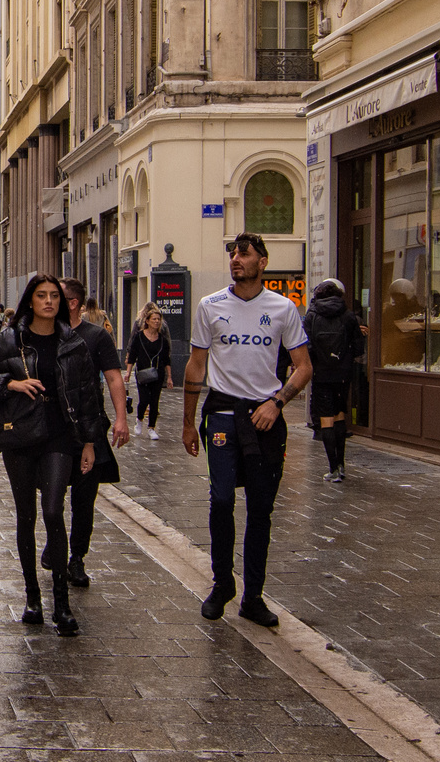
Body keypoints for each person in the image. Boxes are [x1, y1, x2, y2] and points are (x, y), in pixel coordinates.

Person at [181, 233, 312, 629]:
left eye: (245, 253)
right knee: (221, 500)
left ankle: (253, 596)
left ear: (263, 261)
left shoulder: (284, 309)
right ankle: (222, 583)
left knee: (261, 509)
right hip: (221, 414)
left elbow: (303, 366)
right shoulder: (210, 306)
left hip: (266, 418)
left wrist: (278, 403)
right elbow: (196, 365)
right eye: (234, 253)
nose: (236, 259)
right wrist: (187, 422)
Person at [0, 273, 106, 635]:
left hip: (60, 435)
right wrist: (11, 383)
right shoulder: (8, 340)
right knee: (26, 515)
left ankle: (61, 604)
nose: (49, 301)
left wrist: (90, 442)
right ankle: (33, 598)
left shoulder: (72, 343)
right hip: (20, 433)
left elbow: (88, 395)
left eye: (55, 297)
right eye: (42, 295)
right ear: (31, 300)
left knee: (53, 511)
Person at [60, 278, 129, 587]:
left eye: (56, 296)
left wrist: (121, 419)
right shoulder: (45, 334)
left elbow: (114, 378)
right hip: (55, 428)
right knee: (53, 494)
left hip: (90, 426)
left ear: (73, 303)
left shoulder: (96, 336)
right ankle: (57, 545)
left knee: (84, 498)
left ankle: (77, 558)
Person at [303, 278, 366, 482]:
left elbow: (307, 346)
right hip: (342, 375)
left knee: (326, 420)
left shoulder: (311, 316)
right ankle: (341, 464)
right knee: (339, 416)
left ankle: (333, 468)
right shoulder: (348, 316)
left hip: (321, 374)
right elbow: (358, 348)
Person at [126, 303, 174, 440]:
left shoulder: (162, 340)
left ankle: (151, 428)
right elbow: (133, 355)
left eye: (158, 319)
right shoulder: (139, 337)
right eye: (154, 319)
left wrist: (169, 377)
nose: (157, 321)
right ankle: (139, 419)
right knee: (144, 399)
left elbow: (166, 359)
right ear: (147, 321)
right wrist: (128, 372)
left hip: (157, 373)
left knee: (154, 401)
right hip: (142, 372)